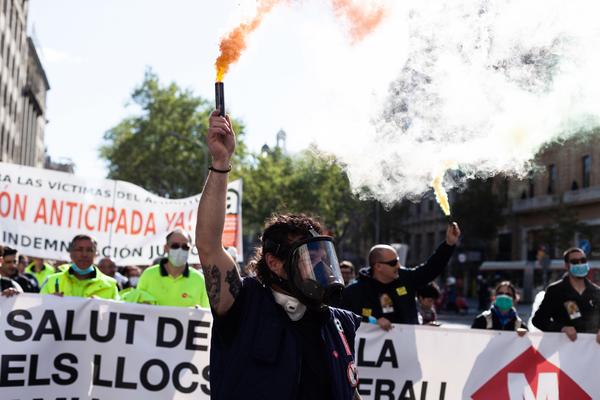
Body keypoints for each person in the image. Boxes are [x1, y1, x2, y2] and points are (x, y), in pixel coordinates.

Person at [196, 110, 361, 400]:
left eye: (324, 255)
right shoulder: (243, 304)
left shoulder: (338, 322)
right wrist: (221, 163)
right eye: (310, 256)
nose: (322, 263)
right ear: (274, 263)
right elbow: (209, 245)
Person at [340, 224, 460, 330]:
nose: (398, 265)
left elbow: (430, 269)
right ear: (378, 267)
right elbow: (343, 321)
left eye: (397, 261)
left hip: (407, 350)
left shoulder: (406, 278)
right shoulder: (355, 291)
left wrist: (448, 245)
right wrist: (371, 321)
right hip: (370, 354)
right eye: (392, 263)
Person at [532, 247, 600, 343]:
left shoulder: (596, 291)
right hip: (566, 351)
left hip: (592, 351)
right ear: (567, 266)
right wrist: (562, 328)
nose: (580, 264)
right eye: (575, 261)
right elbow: (539, 320)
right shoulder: (555, 290)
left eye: (583, 260)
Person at [136, 229, 209, 308]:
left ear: (190, 249)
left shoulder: (199, 279)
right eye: (175, 246)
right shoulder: (148, 274)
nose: (180, 250)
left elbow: (207, 312)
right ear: (166, 248)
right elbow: (136, 305)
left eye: (185, 247)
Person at [40, 234, 119, 300]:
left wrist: (104, 306)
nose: (84, 254)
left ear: (95, 254)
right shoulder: (52, 281)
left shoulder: (110, 285)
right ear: (71, 254)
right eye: (79, 249)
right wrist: (48, 302)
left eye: (89, 250)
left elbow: (118, 313)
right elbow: (36, 312)